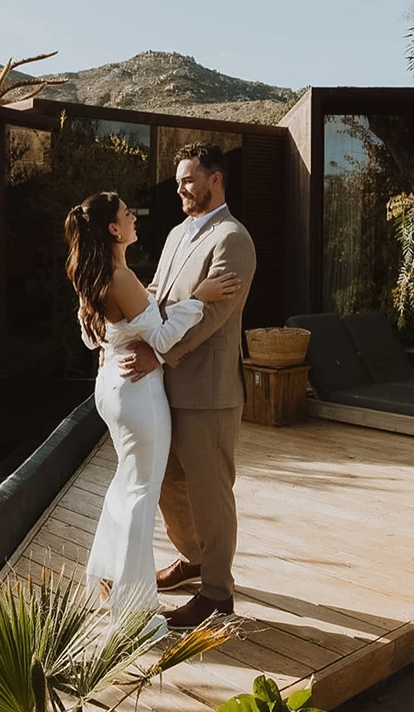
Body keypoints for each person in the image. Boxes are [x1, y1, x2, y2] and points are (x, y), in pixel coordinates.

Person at [64, 191, 241, 634]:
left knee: (128, 486)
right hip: (139, 397)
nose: (134, 218)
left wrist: (114, 343)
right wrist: (200, 296)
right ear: (112, 229)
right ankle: (134, 607)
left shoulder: (95, 272)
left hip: (112, 389)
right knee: (141, 492)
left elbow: (93, 339)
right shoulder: (119, 277)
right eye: (127, 214)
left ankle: (109, 577)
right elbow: (161, 338)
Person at [119, 142, 256, 630]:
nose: (180, 187)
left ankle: (217, 593)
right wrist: (119, 324)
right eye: (179, 179)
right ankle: (195, 559)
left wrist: (155, 352)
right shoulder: (179, 233)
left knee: (210, 492)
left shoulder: (233, 239)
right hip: (167, 389)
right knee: (169, 485)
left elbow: (214, 316)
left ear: (216, 179)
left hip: (210, 392)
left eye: (189, 179)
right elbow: (156, 295)